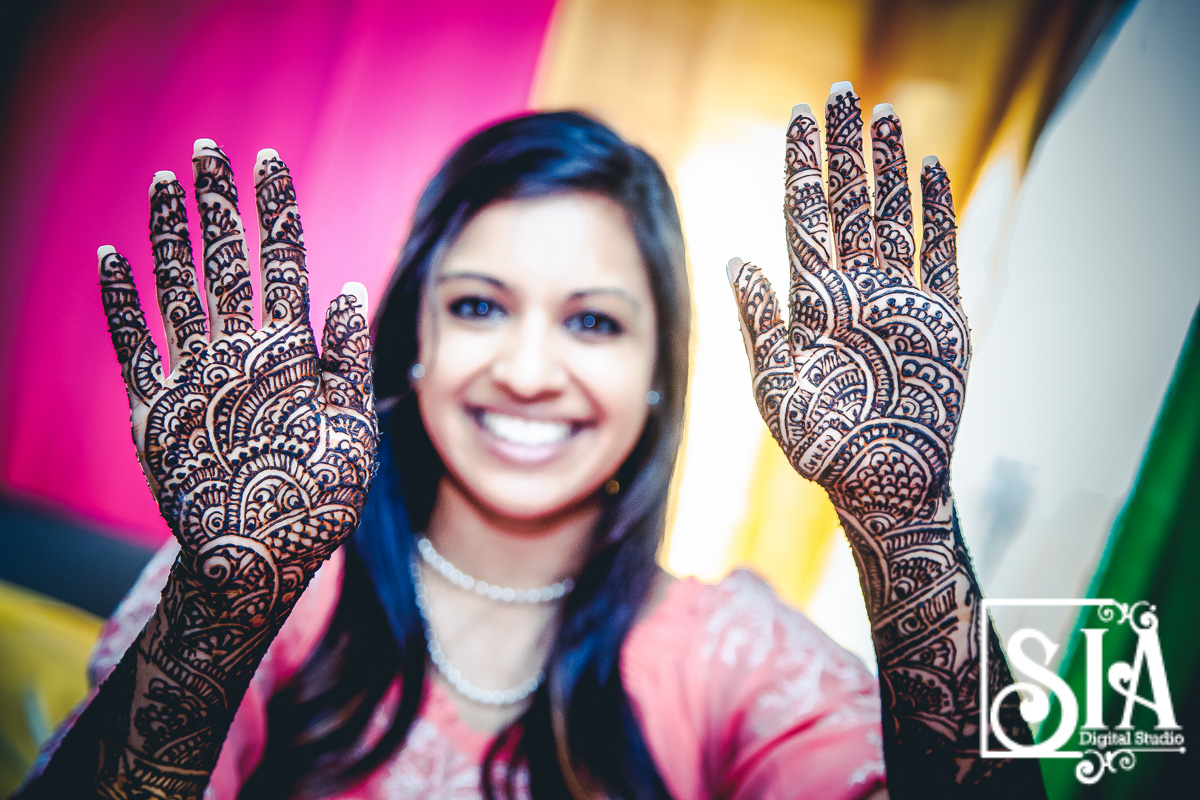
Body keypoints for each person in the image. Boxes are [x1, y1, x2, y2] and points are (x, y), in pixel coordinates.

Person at [15, 83, 1046, 799]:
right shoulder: (270, 585)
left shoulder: (732, 657)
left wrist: (906, 519)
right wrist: (218, 607)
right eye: (478, 306)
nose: (526, 369)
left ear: (657, 375)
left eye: (592, 321)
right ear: (411, 336)